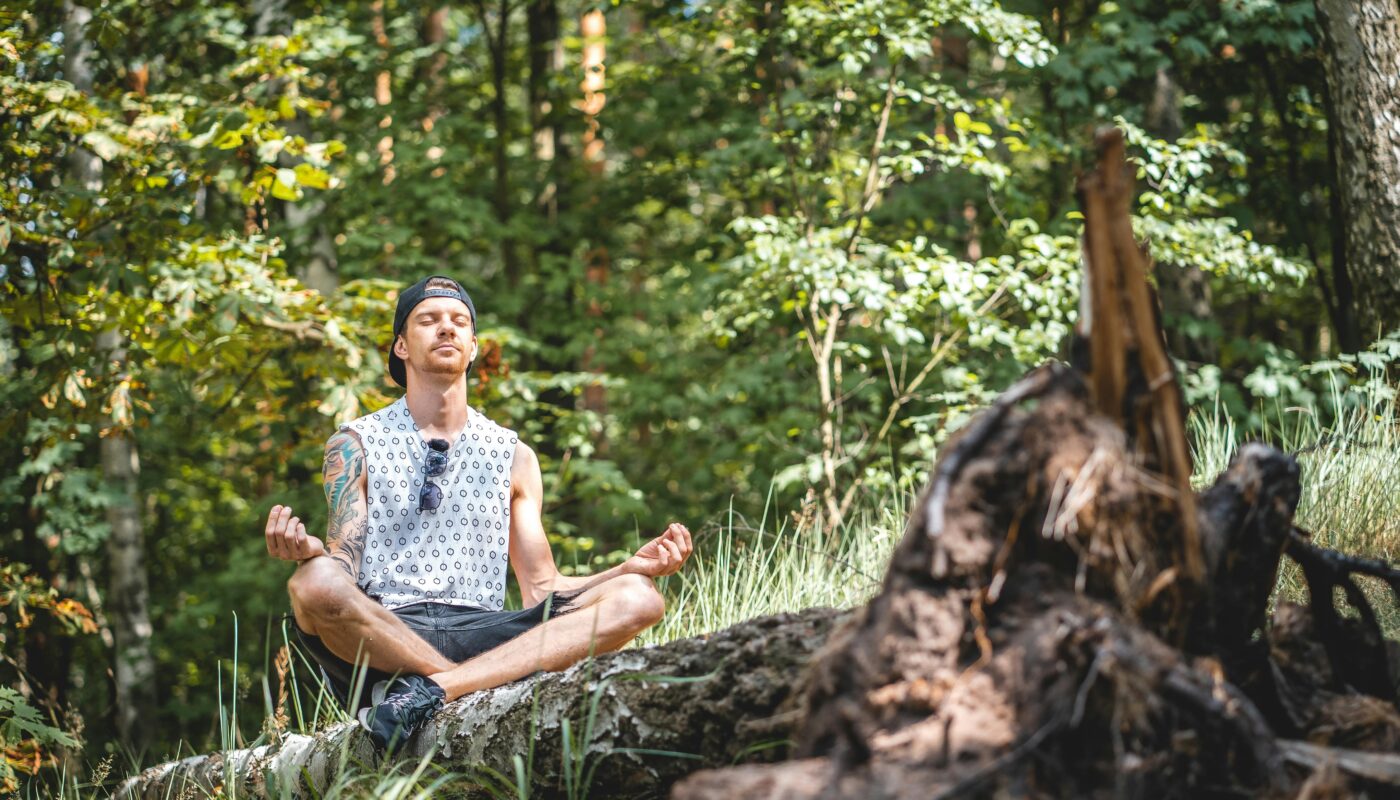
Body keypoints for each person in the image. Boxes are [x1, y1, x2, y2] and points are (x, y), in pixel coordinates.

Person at [263, 275, 693, 751]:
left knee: (639, 597)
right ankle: (459, 684)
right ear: (401, 346)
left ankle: (428, 693)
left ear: (472, 348)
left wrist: (627, 568)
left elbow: (542, 587)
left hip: (484, 629)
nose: (446, 328)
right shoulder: (355, 443)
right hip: (385, 631)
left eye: (459, 321)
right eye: (428, 320)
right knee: (312, 583)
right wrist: (315, 553)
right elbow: (345, 562)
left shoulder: (515, 455)